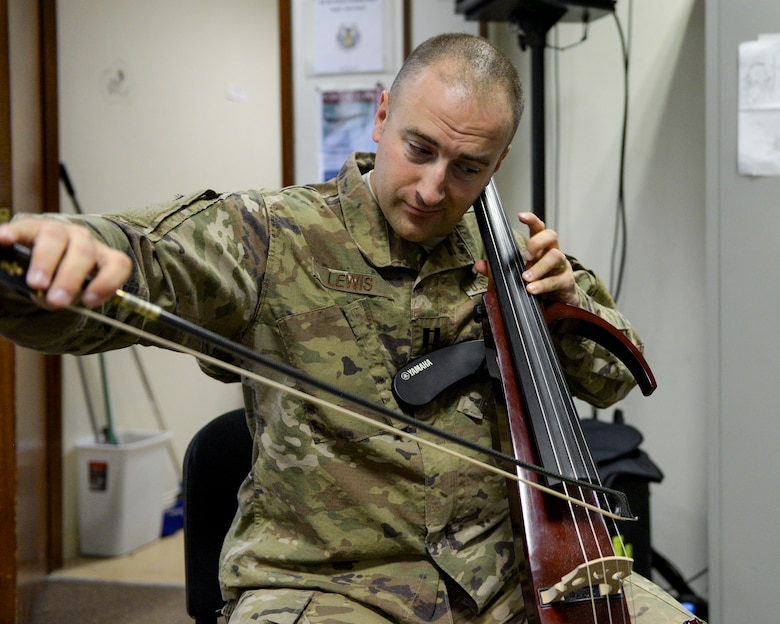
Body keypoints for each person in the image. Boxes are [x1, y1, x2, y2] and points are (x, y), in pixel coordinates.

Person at [0, 34, 702, 624]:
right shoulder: (272, 234)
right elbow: (145, 257)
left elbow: (615, 377)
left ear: (498, 164)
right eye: (419, 149)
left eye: (467, 169)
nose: (433, 189)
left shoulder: (513, 259)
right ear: (382, 113)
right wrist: (63, 249)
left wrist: (566, 304)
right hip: (327, 589)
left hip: (509, 583)